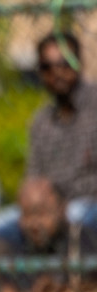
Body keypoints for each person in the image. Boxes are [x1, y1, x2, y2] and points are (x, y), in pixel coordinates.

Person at [26, 32, 97, 222]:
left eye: (64, 64)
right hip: (49, 209)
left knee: (74, 214)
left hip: (89, 204)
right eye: (47, 67)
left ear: (79, 64)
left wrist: (60, 201)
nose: (57, 73)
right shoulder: (40, 122)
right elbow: (34, 178)